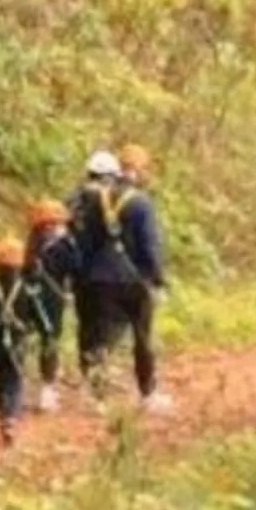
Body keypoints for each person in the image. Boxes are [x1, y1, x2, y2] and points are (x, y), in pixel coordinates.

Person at [72, 145, 170, 413]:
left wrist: (83, 274)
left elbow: (85, 242)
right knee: (142, 337)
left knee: (101, 337)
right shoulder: (140, 203)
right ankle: (147, 394)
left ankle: (97, 397)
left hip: (98, 279)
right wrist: (158, 280)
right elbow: (150, 247)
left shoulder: (93, 201)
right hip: (134, 281)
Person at [0, 235, 56, 445]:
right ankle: (11, 417)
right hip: (18, 342)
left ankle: (3, 415)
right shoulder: (26, 290)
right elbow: (42, 319)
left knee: (1, 380)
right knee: (15, 380)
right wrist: (47, 337)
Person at [24, 197, 78, 412]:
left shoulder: (31, 245)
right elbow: (75, 266)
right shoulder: (62, 245)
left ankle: (22, 387)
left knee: (25, 339)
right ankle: (47, 390)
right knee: (50, 340)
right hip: (51, 298)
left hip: (27, 295)